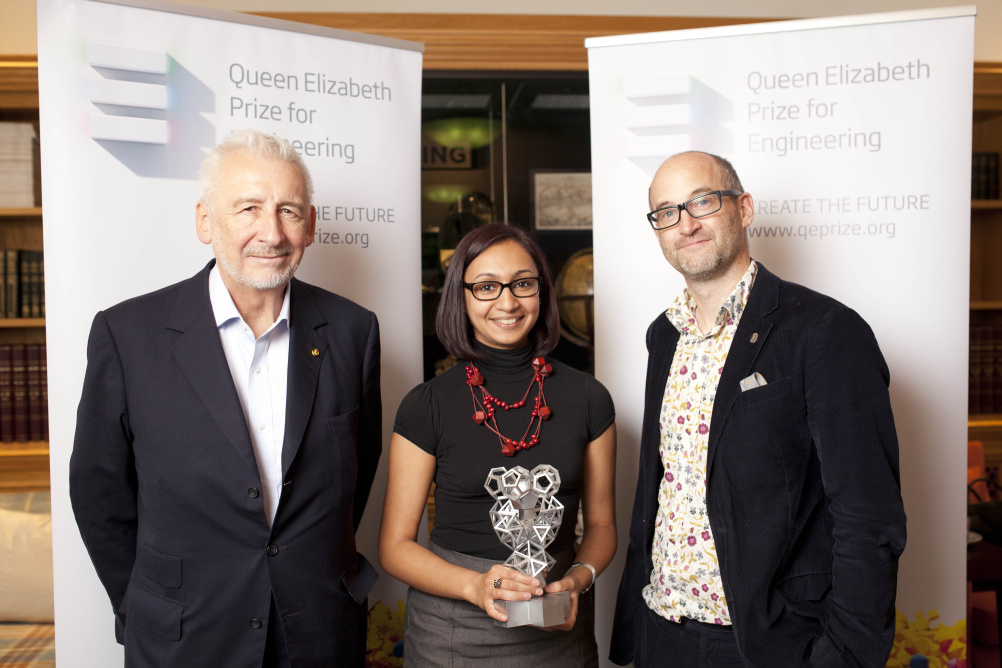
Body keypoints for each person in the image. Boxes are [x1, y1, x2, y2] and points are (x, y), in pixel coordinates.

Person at [69, 129, 381, 667]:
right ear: (205, 221)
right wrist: (148, 605)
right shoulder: (129, 335)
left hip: (318, 635)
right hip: (184, 638)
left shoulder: (354, 331)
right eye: (248, 208)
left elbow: (361, 467)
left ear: (310, 226)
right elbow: (99, 496)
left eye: (288, 210)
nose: (271, 232)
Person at [609, 151, 907, 667]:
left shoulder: (824, 331)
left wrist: (843, 657)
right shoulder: (664, 336)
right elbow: (660, 489)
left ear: (743, 208)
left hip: (768, 644)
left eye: (703, 201)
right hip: (663, 634)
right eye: (667, 212)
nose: (687, 223)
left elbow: (868, 518)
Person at [380, 222, 616, 666]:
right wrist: (473, 585)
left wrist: (579, 579)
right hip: (453, 635)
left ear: (542, 291)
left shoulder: (588, 398)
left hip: (557, 631)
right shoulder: (426, 404)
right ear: (461, 295)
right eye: (487, 287)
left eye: (522, 284)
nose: (507, 302)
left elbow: (602, 527)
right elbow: (394, 546)